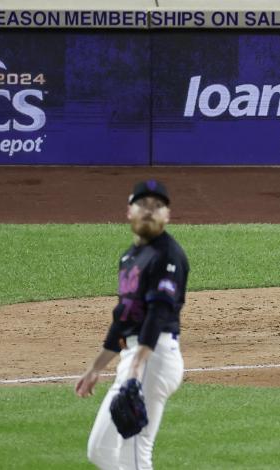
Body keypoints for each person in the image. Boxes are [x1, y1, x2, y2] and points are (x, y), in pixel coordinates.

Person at [75, 179, 189, 469]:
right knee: (99, 450)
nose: (149, 210)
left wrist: (138, 366)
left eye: (158, 206)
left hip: (153, 357)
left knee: (135, 455)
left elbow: (158, 313)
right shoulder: (129, 256)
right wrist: (95, 367)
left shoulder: (168, 255)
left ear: (167, 216)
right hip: (133, 358)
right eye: (143, 204)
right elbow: (123, 318)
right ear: (129, 212)